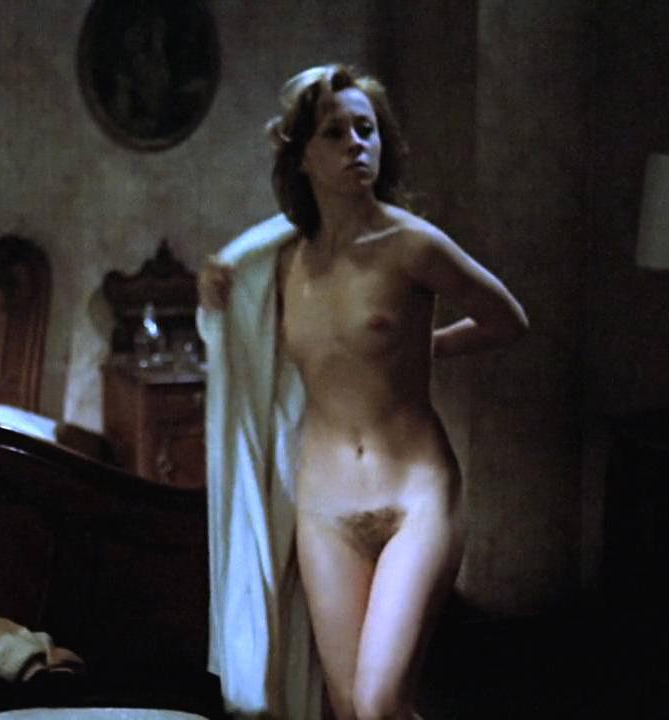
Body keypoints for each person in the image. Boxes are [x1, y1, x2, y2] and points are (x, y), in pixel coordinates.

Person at [199, 64, 528, 720]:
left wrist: (425, 346)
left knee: (380, 702)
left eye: (367, 129)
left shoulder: (412, 244)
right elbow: (249, 354)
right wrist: (214, 292)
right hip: (325, 509)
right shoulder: (282, 265)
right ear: (302, 155)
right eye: (335, 132)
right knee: (350, 709)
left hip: (415, 496)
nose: (357, 144)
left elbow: (507, 319)